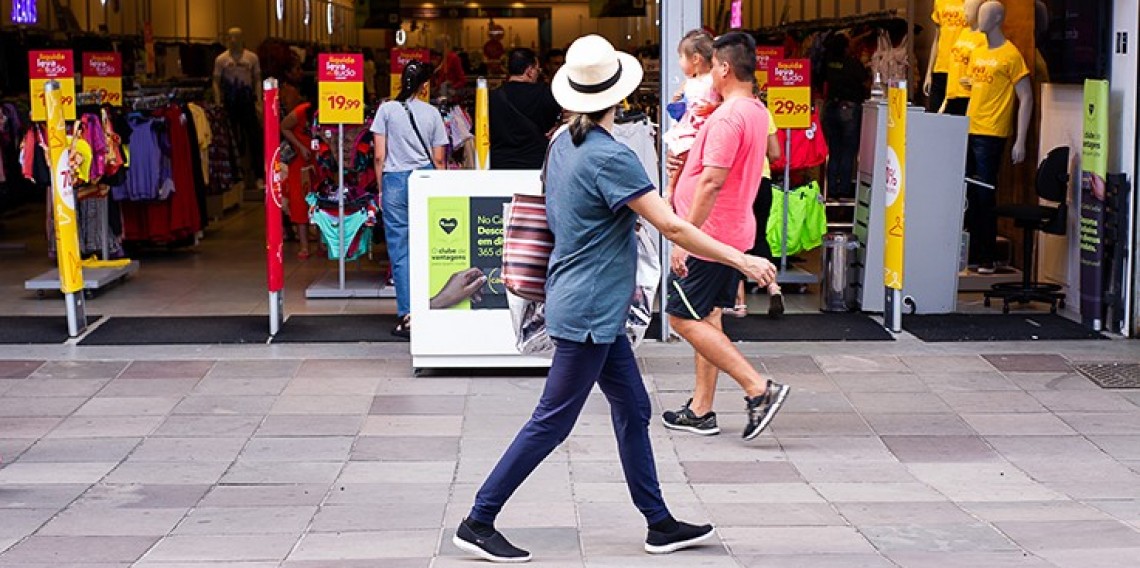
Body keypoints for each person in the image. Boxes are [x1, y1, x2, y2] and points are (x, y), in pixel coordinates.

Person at [453, 34, 778, 563]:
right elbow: (672, 225)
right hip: (588, 311)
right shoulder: (611, 157)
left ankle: (659, 523)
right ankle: (478, 519)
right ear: (618, 98)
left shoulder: (562, 141)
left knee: (634, 407)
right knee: (553, 420)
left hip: (589, 305)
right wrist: (741, 259)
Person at [661, 31, 791, 440]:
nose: (710, 74)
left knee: (681, 317)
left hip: (710, 235)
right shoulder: (754, 110)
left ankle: (758, 389)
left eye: (714, 65)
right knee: (707, 316)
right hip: (731, 229)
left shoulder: (729, 117)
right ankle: (701, 409)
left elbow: (711, 183)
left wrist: (683, 238)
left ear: (724, 68)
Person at [371, 61, 448, 337]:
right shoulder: (432, 114)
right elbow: (439, 159)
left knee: (400, 250)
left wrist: (382, 189)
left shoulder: (386, 110)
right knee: (429, 245)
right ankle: (432, 306)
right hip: (425, 180)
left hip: (394, 180)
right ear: (425, 86)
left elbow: (379, 155)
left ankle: (408, 315)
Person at [661, 29, 720, 201]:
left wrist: (714, 106)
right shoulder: (689, 83)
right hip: (690, 125)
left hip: (699, 129)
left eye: (681, 57)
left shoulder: (713, 81)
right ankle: (670, 188)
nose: (679, 62)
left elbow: (725, 103)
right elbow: (679, 106)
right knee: (677, 152)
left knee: (682, 152)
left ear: (695, 59)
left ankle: (670, 191)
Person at [489, 48, 563, 170]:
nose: (538, 73)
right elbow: (561, 118)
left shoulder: (491, 97)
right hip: (536, 164)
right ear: (529, 70)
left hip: (499, 165)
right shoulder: (546, 93)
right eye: (537, 69)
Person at [819, 33, 869, 200]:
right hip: (849, 108)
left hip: (831, 107)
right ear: (846, 47)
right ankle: (845, 190)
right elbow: (865, 80)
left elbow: (822, 82)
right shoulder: (853, 63)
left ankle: (832, 189)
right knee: (848, 151)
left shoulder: (828, 63)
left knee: (834, 150)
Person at [280, 90, 317, 260]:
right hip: (300, 162)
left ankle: (323, 243)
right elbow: (283, 127)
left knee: (321, 201)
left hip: (319, 163)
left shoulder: (331, 113)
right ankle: (304, 245)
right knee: (299, 201)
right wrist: (300, 147)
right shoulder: (302, 111)